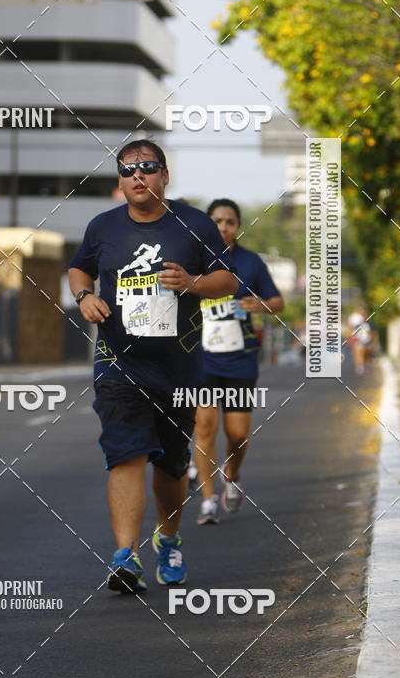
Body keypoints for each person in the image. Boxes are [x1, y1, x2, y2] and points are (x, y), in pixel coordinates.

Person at [68, 140, 236, 593]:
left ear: (165, 174)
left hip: (178, 368)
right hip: (118, 362)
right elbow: (79, 269)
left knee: (172, 465)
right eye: (127, 170)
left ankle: (169, 538)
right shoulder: (103, 226)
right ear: (119, 181)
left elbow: (227, 279)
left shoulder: (194, 223)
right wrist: (84, 296)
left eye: (147, 167)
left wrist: (193, 282)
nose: (137, 176)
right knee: (125, 453)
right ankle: (126, 556)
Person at [193, 199, 284, 525]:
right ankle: (208, 500)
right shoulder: (193, 258)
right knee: (205, 427)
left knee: (238, 434)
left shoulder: (250, 262)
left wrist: (260, 305)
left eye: (230, 222)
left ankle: (231, 474)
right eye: (217, 221)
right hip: (201, 359)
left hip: (240, 360)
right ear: (208, 224)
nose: (223, 227)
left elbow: (277, 301)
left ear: (238, 226)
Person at [348, 307, 375, 375]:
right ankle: (360, 366)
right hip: (359, 341)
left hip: (368, 342)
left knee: (367, 355)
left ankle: (366, 366)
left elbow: (373, 333)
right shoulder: (357, 325)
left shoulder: (370, 324)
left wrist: (372, 341)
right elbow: (353, 333)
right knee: (358, 352)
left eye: (364, 315)